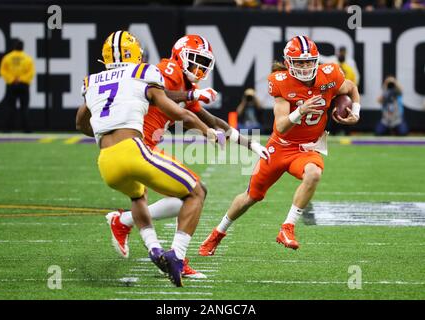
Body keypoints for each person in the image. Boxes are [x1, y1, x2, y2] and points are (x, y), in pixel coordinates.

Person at [104, 34, 269, 279]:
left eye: (204, 63)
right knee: (196, 191)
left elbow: (212, 121)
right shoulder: (167, 70)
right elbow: (155, 93)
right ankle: (176, 258)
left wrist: (250, 144)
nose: (199, 68)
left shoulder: (186, 86)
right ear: (180, 56)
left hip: (143, 146)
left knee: (185, 198)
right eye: (195, 60)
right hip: (137, 145)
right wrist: (191, 97)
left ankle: (125, 222)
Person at [76, 30, 222, 287]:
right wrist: (207, 130)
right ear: (137, 54)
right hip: (134, 149)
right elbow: (178, 113)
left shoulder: (92, 81)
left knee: (138, 197)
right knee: (196, 192)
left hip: (106, 161)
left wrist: (102, 130)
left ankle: (154, 248)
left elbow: (81, 123)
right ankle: (176, 257)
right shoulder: (144, 72)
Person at [199, 35, 360, 256]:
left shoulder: (329, 75)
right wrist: (300, 110)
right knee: (251, 196)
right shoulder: (281, 81)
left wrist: (356, 113)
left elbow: (351, 88)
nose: (305, 67)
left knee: (313, 174)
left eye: (309, 61)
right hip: (280, 146)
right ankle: (217, 233)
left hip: (307, 148)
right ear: (288, 63)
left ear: (316, 60)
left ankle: (287, 228)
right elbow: (282, 126)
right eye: (300, 62)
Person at [0, 39, 35, 133]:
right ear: (22, 47)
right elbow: (31, 73)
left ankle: (7, 129)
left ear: (14, 47)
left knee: (10, 107)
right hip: (23, 85)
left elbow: (2, 71)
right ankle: (26, 129)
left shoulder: (7, 57)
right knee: (24, 108)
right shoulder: (27, 58)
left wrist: (12, 79)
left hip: (11, 85)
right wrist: (21, 79)